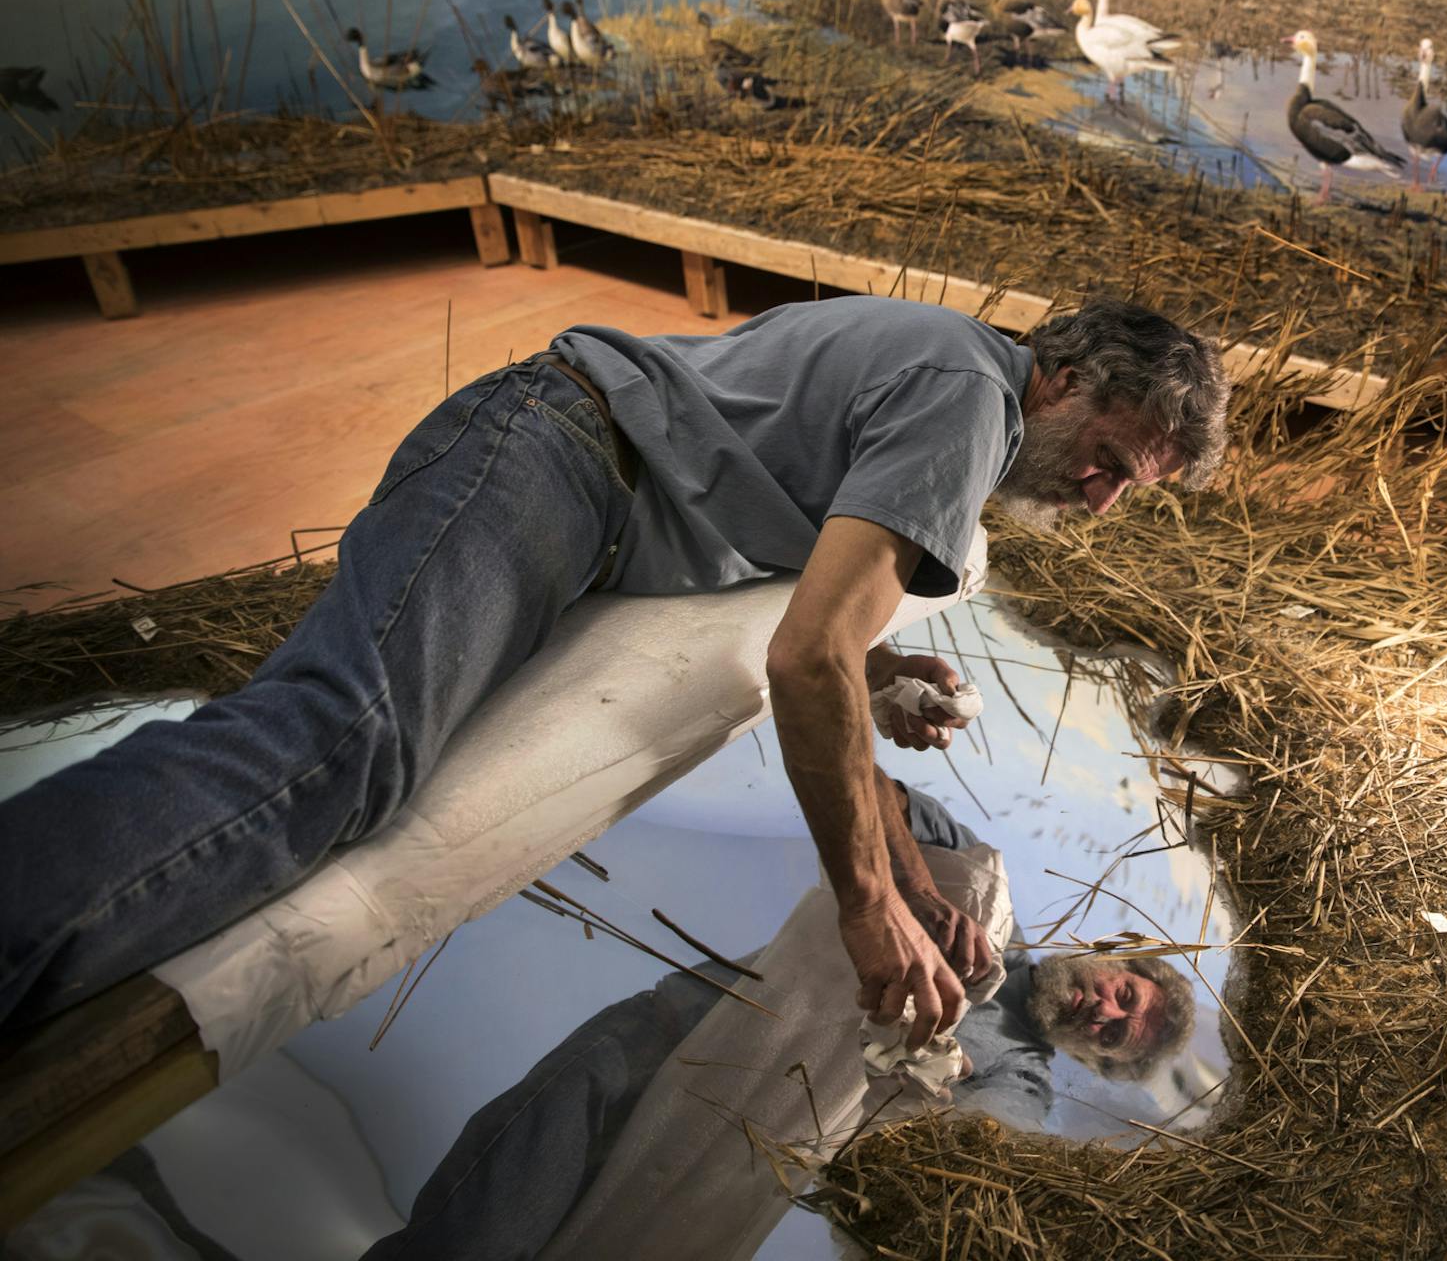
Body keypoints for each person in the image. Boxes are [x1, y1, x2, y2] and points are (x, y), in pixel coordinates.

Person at [0, 298, 1229, 1041]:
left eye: (1133, 490)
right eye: (1113, 457)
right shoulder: (971, 401)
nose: (1104, 495)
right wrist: (869, 903)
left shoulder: (958, 378)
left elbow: (833, 626)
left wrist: (912, 870)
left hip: (581, 484)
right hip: (557, 454)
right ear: (1065, 379)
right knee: (338, 748)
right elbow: (812, 660)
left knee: (338, 740)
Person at [360, 776, 1195, 1259]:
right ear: (1114, 960)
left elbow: (961, 1168)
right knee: (489, 1207)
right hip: (678, 1032)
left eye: (1114, 1034)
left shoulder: (1021, 1077)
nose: (1105, 1010)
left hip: (728, 1147)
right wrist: (924, 892)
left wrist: (947, 1075)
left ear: (1094, 1061)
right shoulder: (986, 892)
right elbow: (859, 782)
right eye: (1125, 992)